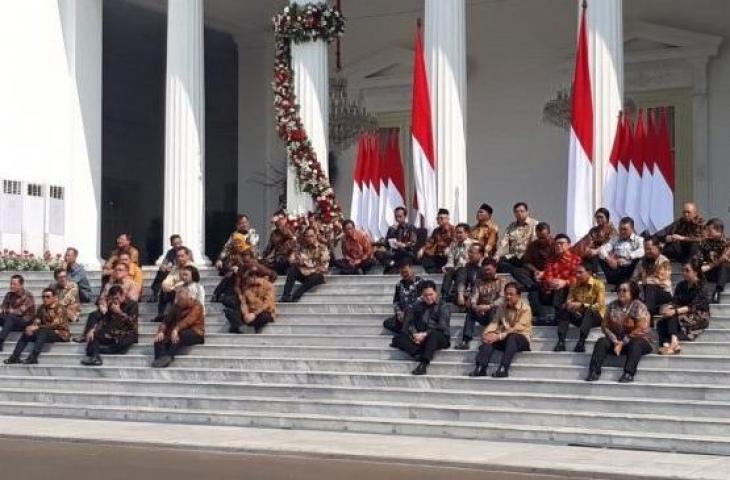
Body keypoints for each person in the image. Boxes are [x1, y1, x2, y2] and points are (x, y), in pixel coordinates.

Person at [585, 281, 654, 383]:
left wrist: (623, 342)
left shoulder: (639, 306)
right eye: (619, 290)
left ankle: (628, 373)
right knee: (601, 341)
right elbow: (605, 326)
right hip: (617, 342)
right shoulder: (612, 306)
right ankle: (594, 372)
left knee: (636, 343)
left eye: (624, 290)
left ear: (632, 293)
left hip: (638, 341)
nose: (620, 292)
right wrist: (615, 341)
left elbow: (641, 328)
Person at [468, 281, 532, 378]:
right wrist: (487, 333)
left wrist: (499, 336)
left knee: (512, 336)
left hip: (521, 339)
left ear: (519, 296)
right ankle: (481, 367)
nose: (508, 297)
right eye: (506, 294)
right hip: (505, 338)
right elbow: (494, 322)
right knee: (490, 338)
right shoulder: (502, 307)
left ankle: (503, 368)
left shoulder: (526, 309)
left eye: (511, 294)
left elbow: (517, 328)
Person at [390, 281, 451, 376]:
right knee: (398, 339)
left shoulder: (443, 306)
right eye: (425, 295)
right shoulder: (418, 305)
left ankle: (424, 364)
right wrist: (414, 334)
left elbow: (442, 326)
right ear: (422, 295)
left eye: (431, 294)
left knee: (434, 336)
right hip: (421, 335)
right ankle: (418, 353)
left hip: (439, 335)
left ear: (436, 293)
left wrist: (425, 334)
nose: (428, 298)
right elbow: (411, 323)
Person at [73, 261, 139, 343]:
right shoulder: (109, 284)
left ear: (126, 272)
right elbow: (102, 297)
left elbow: (133, 299)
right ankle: (86, 335)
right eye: (116, 270)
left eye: (120, 270)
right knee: (93, 314)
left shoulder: (132, 284)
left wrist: (122, 294)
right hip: (109, 308)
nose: (117, 272)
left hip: (124, 309)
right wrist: (102, 305)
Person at [3, 288, 71, 365]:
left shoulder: (60, 308)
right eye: (43, 297)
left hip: (60, 333)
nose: (45, 299)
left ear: (54, 298)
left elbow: (55, 325)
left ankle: (33, 358)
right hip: (45, 331)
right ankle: (15, 357)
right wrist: (31, 327)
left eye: (48, 297)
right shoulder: (42, 308)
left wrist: (38, 327)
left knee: (43, 332)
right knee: (27, 331)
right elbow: (37, 320)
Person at [656, 261, 710, 356]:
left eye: (687, 271)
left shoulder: (702, 286)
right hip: (682, 312)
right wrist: (667, 308)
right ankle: (666, 345)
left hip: (699, 314)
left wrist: (675, 311)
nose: (684, 273)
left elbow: (694, 306)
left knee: (673, 316)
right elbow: (675, 301)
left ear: (695, 272)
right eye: (683, 270)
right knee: (661, 322)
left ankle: (673, 343)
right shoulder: (681, 285)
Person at [80, 285, 138, 366]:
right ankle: (96, 357)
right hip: (113, 332)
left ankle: (107, 350)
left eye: (117, 298)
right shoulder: (111, 304)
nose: (116, 300)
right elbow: (104, 319)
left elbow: (133, 324)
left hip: (126, 333)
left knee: (128, 339)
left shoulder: (132, 304)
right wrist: (93, 329)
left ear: (122, 295)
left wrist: (120, 312)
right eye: (113, 298)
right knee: (92, 342)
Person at [455, 260, 507, 350]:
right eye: (485, 270)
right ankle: (465, 341)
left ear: (495, 269)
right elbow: (474, 297)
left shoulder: (502, 281)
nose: (487, 272)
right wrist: (476, 307)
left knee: (494, 309)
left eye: (489, 270)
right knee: (471, 310)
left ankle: (488, 340)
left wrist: (489, 306)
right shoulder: (478, 282)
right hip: (482, 312)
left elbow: (502, 299)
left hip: (497, 314)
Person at [553, 263, 605, 353]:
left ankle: (581, 342)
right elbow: (569, 300)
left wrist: (582, 305)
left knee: (590, 310)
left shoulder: (598, 284)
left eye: (580, 272)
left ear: (589, 272)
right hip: (580, 316)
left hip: (596, 317)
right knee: (564, 310)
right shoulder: (574, 284)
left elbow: (599, 305)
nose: (577, 275)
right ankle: (561, 341)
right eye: (576, 273)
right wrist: (568, 304)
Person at [529, 234, 581, 320]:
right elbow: (547, 275)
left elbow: (579, 278)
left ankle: (559, 317)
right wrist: (551, 281)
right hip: (551, 290)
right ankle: (540, 316)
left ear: (568, 245)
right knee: (533, 289)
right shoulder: (551, 260)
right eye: (556, 244)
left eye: (561, 243)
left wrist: (565, 282)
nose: (558, 246)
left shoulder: (576, 260)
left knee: (560, 287)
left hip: (569, 291)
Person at [152, 289, 205, 368]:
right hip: (178, 331)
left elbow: (189, 320)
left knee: (180, 335)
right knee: (159, 339)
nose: (180, 302)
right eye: (178, 300)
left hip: (195, 332)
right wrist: (161, 332)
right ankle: (159, 358)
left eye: (182, 300)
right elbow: (166, 321)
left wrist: (176, 329)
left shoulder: (197, 305)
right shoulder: (177, 305)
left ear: (189, 297)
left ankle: (169, 355)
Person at [280, 227, 330, 302]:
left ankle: (297, 294)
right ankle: (285, 295)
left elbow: (323, 266)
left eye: (311, 236)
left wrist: (305, 263)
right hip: (304, 273)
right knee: (292, 270)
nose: (309, 238)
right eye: (307, 236)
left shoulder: (322, 248)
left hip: (317, 275)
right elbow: (291, 259)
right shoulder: (302, 247)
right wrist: (298, 262)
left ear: (315, 236)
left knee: (317, 277)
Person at [631, 238, 673, 315]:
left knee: (650, 286)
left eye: (649, 249)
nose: (647, 252)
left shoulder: (664, 261)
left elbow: (661, 281)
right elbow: (634, 277)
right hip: (645, 292)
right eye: (645, 249)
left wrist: (644, 281)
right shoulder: (642, 261)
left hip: (663, 293)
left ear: (657, 247)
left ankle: (649, 315)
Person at [598, 217, 644, 287]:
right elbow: (602, 249)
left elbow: (642, 251)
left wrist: (628, 257)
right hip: (616, 267)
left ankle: (631, 281)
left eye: (625, 229)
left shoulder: (639, 240)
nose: (622, 232)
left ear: (632, 229)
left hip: (630, 267)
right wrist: (609, 259)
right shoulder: (615, 239)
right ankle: (613, 281)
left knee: (641, 259)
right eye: (620, 229)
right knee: (600, 256)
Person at [495, 202, 539, 275]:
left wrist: (528, 254)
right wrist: (497, 254)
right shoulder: (511, 226)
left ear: (527, 212)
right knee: (498, 262)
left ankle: (517, 271)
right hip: (513, 255)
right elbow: (503, 242)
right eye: (517, 212)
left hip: (527, 256)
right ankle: (516, 271)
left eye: (522, 211)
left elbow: (534, 242)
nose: (519, 213)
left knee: (527, 264)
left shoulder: (534, 224)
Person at [383, 263, 424, 335]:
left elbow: (421, 299)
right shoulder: (399, 285)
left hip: (416, 314)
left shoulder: (421, 282)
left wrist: (406, 312)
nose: (404, 274)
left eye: (406, 272)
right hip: (402, 315)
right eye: (402, 273)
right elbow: (396, 301)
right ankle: (409, 330)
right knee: (387, 323)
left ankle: (405, 333)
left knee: (411, 316)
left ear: (412, 269)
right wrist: (398, 312)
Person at [695, 218, 730, 303]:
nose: (707, 232)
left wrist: (710, 266)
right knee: (696, 269)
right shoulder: (704, 243)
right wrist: (700, 265)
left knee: (724, 266)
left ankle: (717, 292)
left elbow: (723, 260)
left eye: (710, 230)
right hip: (711, 273)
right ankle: (698, 294)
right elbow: (698, 258)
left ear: (719, 230)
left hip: (725, 274)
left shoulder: (727, 243)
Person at [517, 222, 554, 299]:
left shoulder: (556, 245)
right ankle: (535, 286)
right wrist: (536, 271)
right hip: (536, 272)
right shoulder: (533, 245)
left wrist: (544, 273)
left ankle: (536, 286)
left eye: (544, 237)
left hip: (551, 272)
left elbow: (558, 262)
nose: (541, 240)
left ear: (549, 234)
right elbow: (527, 262)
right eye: (539, 237)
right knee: (518, 271)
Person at [375, 206, 417, 273]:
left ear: (404, 216)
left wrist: (403, 245)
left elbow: (413, 242)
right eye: (396, 217)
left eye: (400, 217)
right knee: (378, 253)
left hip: (405, 252)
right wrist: (383, 247)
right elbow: (386, 242)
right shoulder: (392, 228)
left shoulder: (411, 227)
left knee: (405, 257)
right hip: (394, 252)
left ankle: (393, 266)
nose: (398, 219)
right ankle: (393, 264)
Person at [0, 275, 35, 352]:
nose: (12, 286)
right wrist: (5, 310)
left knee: (11, 317)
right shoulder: (9, 294)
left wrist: (7, 310)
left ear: (21, 285)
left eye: (14, 284)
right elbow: (2, 308)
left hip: (24, 321)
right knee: (9, 317)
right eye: (11, 283)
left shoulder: (28, 296)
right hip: (10, 321)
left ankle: (1, 340)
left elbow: (19, 312)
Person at [440, 224, 475, 302]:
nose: (458, 235)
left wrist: (457, 267)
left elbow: (470, 260)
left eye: (460, 232)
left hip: (468, 268)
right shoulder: (454, 244)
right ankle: (444, 295)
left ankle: (457, 294)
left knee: (461, 269)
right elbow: (450, 258)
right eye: (456, 233)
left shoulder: (472, 244)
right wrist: (447, 266)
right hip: (457, 268)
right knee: (449, 270)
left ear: (467, 233)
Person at [151, 234, 187, 301]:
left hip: (183, 271)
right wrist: (164, 266)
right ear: (172, 244)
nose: (178, 245)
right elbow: (165, 262)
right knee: (161, 271)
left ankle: (162, 294)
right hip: (173, 272)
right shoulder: (170, 252)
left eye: (179, 243)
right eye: (175, 243)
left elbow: (189, 263)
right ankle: (155, 293)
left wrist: (173, 266)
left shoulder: (186, 251)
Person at [158, 246, 193, 314]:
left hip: (187, 291)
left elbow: (187, 282)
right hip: (174, 289)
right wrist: (165, 285)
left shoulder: (192, 267)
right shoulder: (175, 268)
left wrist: (173, 287)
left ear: (187, 256)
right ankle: (161, 314)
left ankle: (174, 314)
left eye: (182, 256)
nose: (180, 258)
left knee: (176, 291)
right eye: (178, 256)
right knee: (163, 290)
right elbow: (169, 279)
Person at [418, 209, 454, 273]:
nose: (439, 220)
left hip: (448, 255)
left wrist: (450, 248)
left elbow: (456, 241)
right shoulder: (436, 230)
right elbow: (430, 242)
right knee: (424, 255)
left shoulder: (453, 229)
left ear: (448, 219)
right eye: (438, 218)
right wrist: (422, 249)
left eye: (441, 218)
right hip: (438, 254)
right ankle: (436, 271)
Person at [453, 243, 487, 308]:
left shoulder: (487, 266)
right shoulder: (468, 266)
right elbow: (463, 281)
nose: (469, 254)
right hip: (469, 295)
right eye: (469, 252)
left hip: (481, 297)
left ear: (480, 254)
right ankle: (460, 297)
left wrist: (472, 296)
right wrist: (460, 294)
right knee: (461, 270)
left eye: (472, 252)